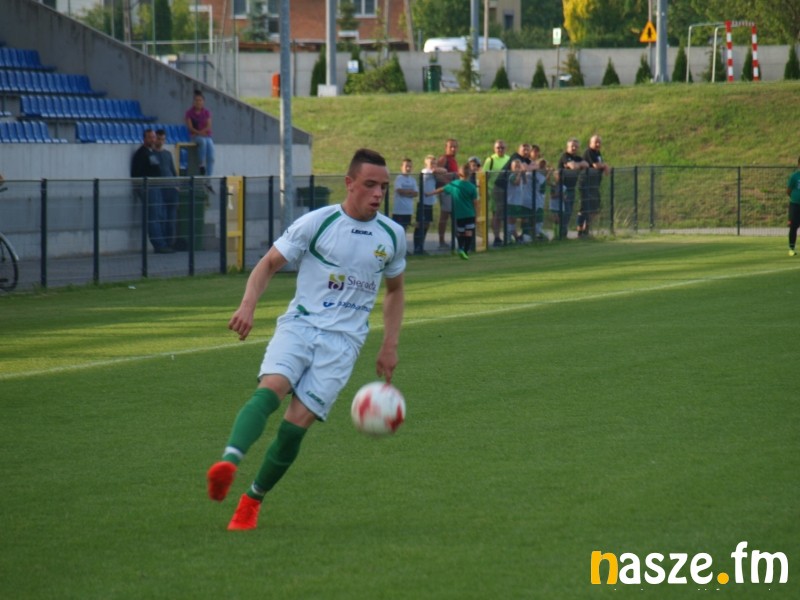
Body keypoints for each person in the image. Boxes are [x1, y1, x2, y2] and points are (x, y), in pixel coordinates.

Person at [206, 148, 407, 531]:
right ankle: (228, 463)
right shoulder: (317, 222)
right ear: (349, 183)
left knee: (295, 425)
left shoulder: (392, 235)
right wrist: (247, 306)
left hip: (343, 345)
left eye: (384, 186)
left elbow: (395, 291)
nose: (378, 193)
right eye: (370, 185)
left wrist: (390, 344)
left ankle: (251, 501)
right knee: (272, 388)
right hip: (300, 326)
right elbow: (268, 263)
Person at [131, 128, 172, 253]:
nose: (153, 140)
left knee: (159, 215)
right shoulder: (141, 153)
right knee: (153, 216)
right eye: (150, 137)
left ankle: (163, 243)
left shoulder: (151, 152)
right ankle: (159, 245)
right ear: (144, 138)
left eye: (154, 137)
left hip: (156, 186)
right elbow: (137, 172)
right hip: (148, 187)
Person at [431, 162, 478, 260]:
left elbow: (442, 189)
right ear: (469, 174)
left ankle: (460, 248)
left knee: (460, 232)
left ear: (458, 174)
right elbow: (475, 203)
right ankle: (465, 251)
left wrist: (430, 193)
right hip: (470, 214)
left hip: (459, 214)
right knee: (469, 233)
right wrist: (476, 214)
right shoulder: (472, 187)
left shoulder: (454, 184)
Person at [579, 134, 612, 237]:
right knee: (585, 208)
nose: (598, 144)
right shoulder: (589, 152)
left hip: (595, 185)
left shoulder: (598, 153)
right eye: (595, 142)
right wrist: (605, 165)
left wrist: (604, 167)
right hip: (587, 184)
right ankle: (580, 230)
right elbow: (596, 165)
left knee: (595, 209)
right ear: (590, 143)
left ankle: (587, 229)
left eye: (599, 142)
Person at [556, 138, 589, 239]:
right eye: (572, 146)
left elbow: (586, 164)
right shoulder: (565, 156)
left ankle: (563, 233)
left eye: (576, 146)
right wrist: (576, 165)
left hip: (571, 188)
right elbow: (573, 166)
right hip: (563, 188)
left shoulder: (577, 158)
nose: (574, 148)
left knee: (569, 212)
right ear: (568, 147)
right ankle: (561, 234)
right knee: (565, 211)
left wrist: (576, 165)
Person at [154, 128, 179, 251]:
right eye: (159, 139)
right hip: (160, 188)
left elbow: (172, 170)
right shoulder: (152, 154)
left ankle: (170, 243)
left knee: (171, 218)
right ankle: (163, 243)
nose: (160, 142)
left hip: (171, 188)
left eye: (162, 139)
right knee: (162, 216)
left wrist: (177, 185)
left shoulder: (167, 154)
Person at [482, 140, 511, 247]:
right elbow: (484, 176)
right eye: (498, 147)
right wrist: (485, 190)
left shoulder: (508, 159)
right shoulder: (490, 160)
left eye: (502, 147)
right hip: (494, 191)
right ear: (494, 149)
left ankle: (507, 236)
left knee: (506, 214)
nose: (500, 149)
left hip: (507, 191)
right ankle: (496, 237)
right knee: (496, 214)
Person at [185, 89, 215, 178]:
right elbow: (190, 127)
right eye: (196, 100)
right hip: (195, 136)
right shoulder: (189, 113)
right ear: (193, 102)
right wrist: (199, 133)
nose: (198, 102)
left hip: (206, 136)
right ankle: (201, 163)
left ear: (203, 102)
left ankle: (209, 177)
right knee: (202, 142)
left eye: (200, 100)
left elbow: (208, 126)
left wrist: (202, 132)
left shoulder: (206, 112)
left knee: (211, 155)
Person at [412, 154, 438, 255]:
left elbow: (443, 172)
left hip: (430, 202)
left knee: (427, 224)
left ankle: (421, 245)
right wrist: (435, 170)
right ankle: (417, 246)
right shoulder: (425, 172)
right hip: (423, 202)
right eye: (431, 163)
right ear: (426, 163)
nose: (432, 165)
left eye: (434, 163)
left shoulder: (434, 173)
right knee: (420, 224)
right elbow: (435, 172)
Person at [436, 138, 459, 249]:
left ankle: (456, 240)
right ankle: (441, 241)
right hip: (446, 191)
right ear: (446, 148)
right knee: (445, 215)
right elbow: (436, 174)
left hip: (453, 191)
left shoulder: (453, 160)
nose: (453, 149)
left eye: (455, 147)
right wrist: (449, 184)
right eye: (451, 147)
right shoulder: (444, 159)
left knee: (454, 215)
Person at [391, 157, 418, 233]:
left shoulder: (413, 180)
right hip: (399, 211)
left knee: (404, 230)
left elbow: (416, 193)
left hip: (408, 210)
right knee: (397, 231)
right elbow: (399, 191)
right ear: (402, 167)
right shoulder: (399, 178)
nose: (408, 168)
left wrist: (406, 192)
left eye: (410, 166)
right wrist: (410, 192)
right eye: (406, 166)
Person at [788, 155, 800, 256]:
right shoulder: (794, 176)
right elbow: (788, 190)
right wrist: (795, 198)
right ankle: (791, 249)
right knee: (793, 227)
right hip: (795, 205)